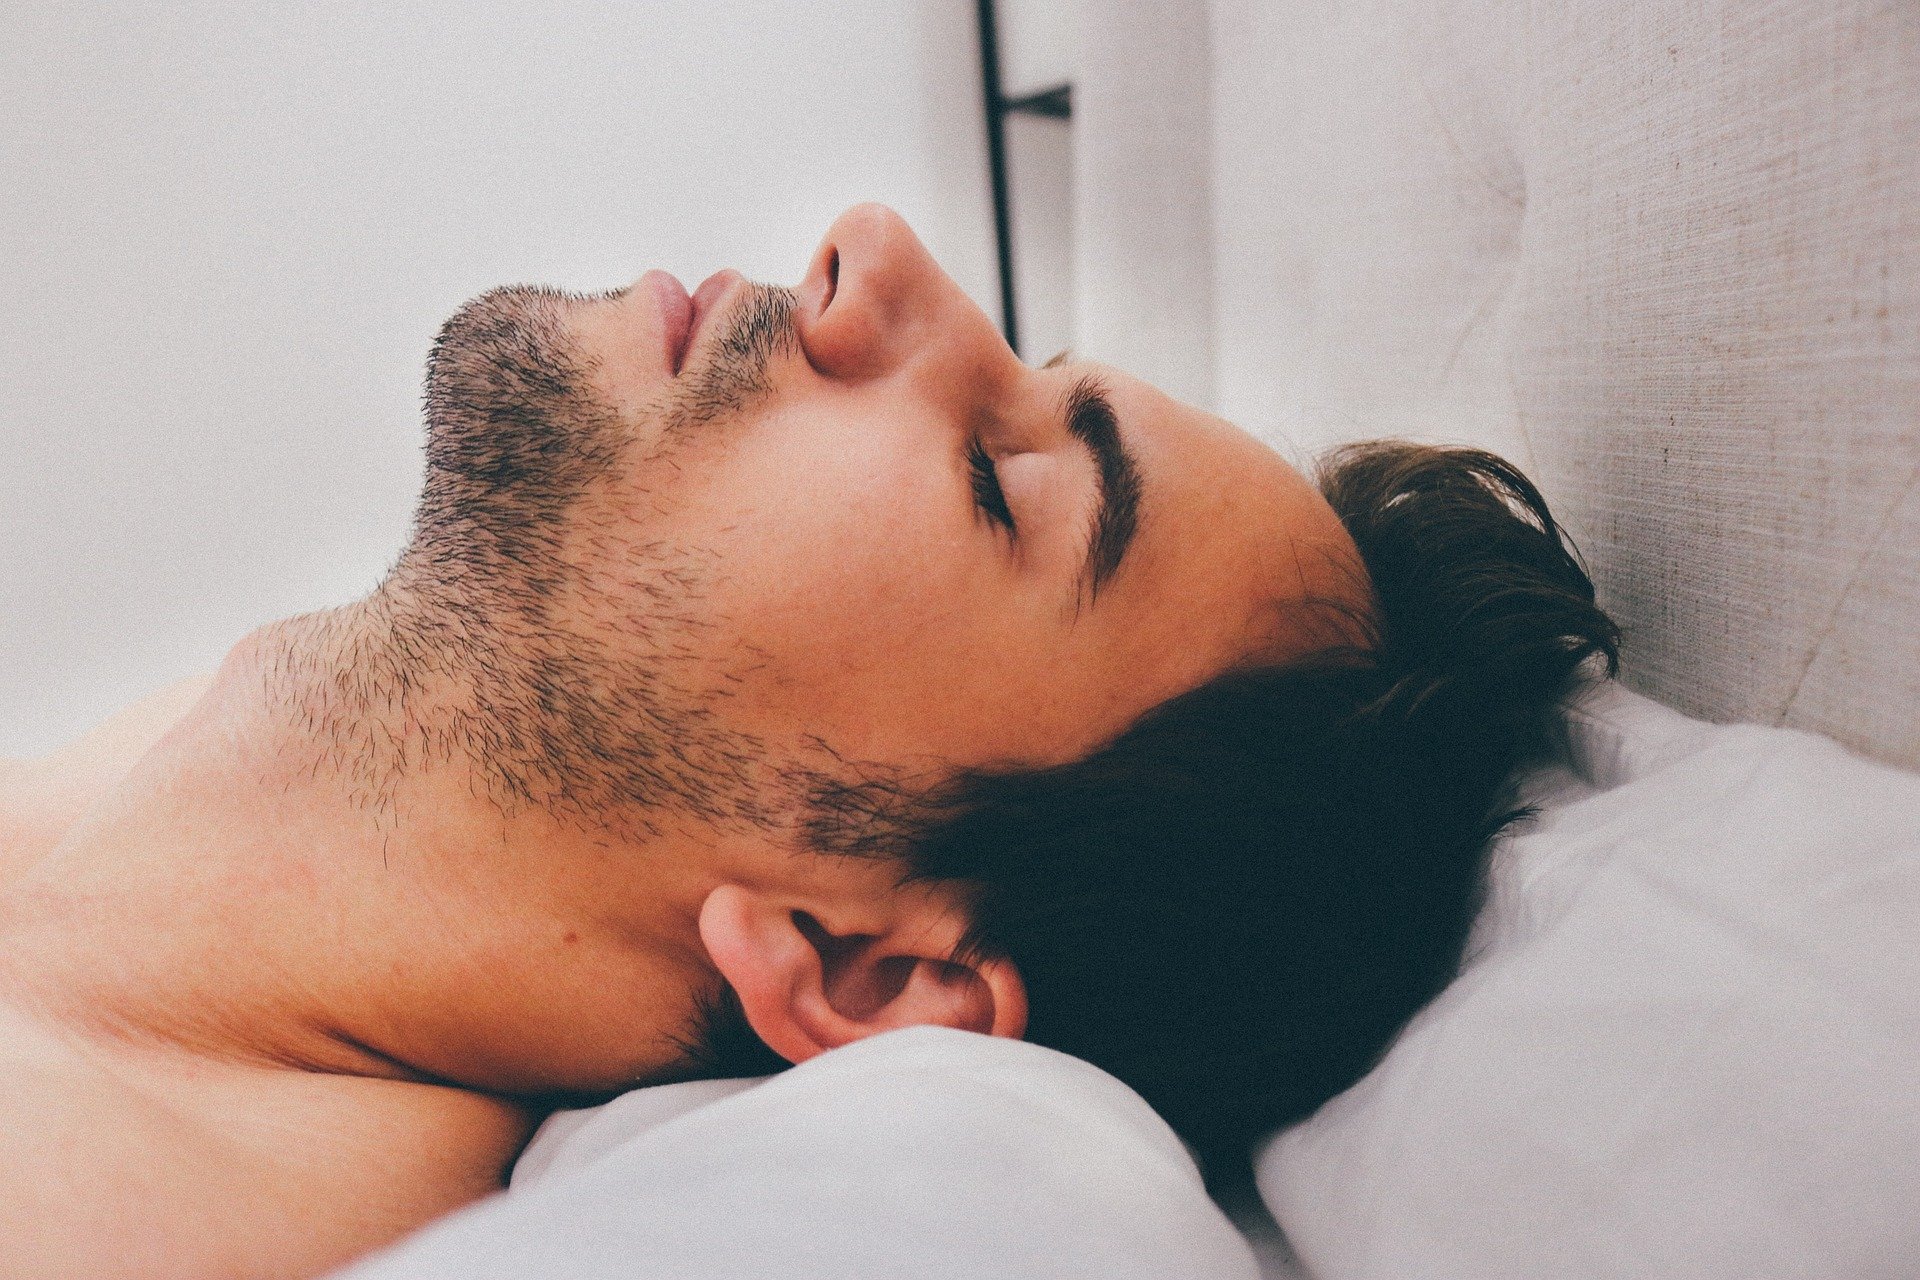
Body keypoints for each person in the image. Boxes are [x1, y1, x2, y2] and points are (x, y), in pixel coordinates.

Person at [0, 203, 1616, 1279]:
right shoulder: (132, 808)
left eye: (1003, 482)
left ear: (870, 972)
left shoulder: (101, 1221)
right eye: (1033, 374)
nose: (871, 250)